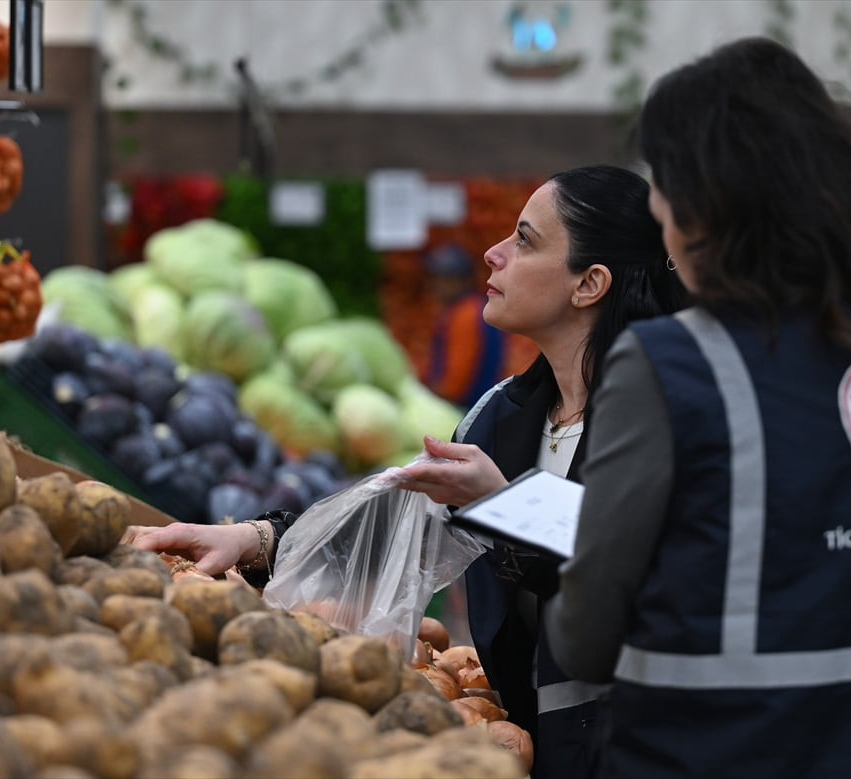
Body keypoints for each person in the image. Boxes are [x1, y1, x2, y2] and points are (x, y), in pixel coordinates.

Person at [544, 38, 851, 778]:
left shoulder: (676, 364)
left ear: (710, 210)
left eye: (665, 189)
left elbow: (585, 636)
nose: (657, 213)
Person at [128, 164, 688, 779]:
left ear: (590, 284)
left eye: (525, 241)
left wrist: (501, 504)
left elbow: (649, 574)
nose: (493, 253)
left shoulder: (669, 420)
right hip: (536, 745)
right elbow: (404, 527)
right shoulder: (501, 417)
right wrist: (255, 539)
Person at [422, 242, 511, 407]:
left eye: (441, 279)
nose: (434, 285)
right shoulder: (469, 308)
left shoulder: (466, 314)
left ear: (459, 280)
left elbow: (454, 385)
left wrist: (425, 396)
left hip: (468, 408)